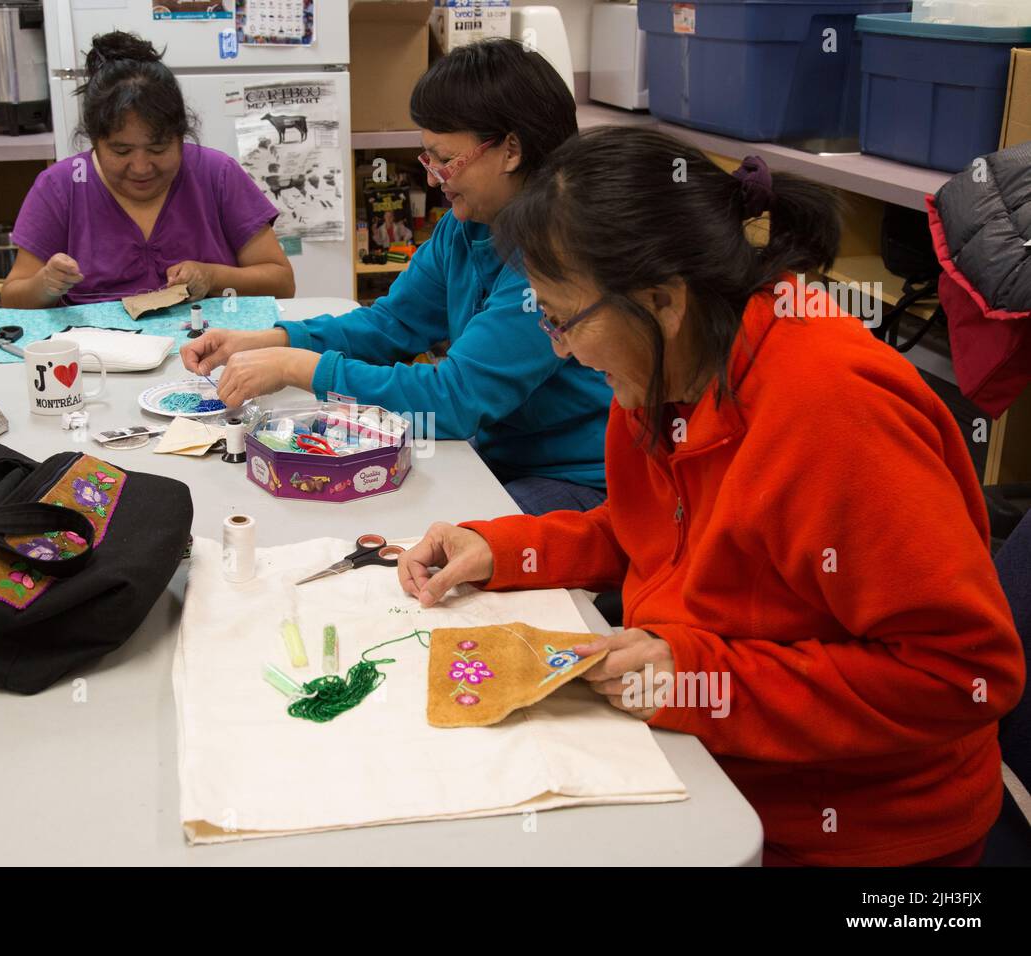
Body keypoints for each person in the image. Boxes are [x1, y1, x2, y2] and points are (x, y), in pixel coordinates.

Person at [397, 127, 1025, 866]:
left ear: (662, 300)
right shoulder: (670, 366)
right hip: (716, 761)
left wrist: (700, 679)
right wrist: (506, 548)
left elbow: (962, 676)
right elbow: (655, 530)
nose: (560, 348)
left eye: (562, 320)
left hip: (855, 832)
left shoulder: (832, 416)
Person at [180, 39, 613, 516]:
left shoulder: (551, 257)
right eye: (428, 159)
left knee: (436, 552)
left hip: (573, 476)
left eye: (444, 158)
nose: (432, 178)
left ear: (511, 149)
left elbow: (454, 400)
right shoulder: (464, 227)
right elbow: (390, 325)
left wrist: (294, 367)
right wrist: (268, 340)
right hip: (495, 453)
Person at [2, 31, 294, 308]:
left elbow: (282, 283)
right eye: (121, 151)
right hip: (96, 357)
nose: (141, 168)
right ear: (94, 141)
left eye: (158, 149)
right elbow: (12, 299)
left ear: (181, 137)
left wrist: (212, 276)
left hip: (212, 351)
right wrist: (45, 285)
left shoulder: (217, 174)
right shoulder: (60, 187)